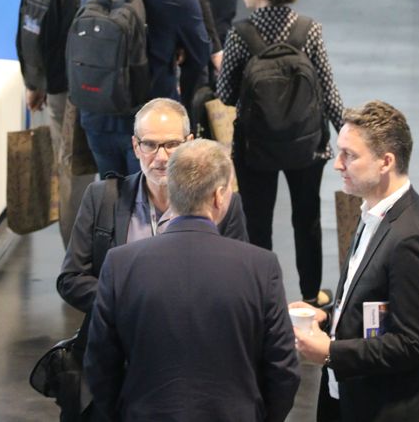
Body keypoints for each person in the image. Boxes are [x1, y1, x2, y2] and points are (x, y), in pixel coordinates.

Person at [85, 137, 300, 422]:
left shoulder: (120, 264)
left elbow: (100, 365)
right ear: (219, 196)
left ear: (173, 191)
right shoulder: (260, 266)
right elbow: (283, 369)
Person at [217, 0, 344, 307]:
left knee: (257, 223)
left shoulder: (240, 34)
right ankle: (312, 296)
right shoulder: (309, 30)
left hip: (255, 146)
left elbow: (226, 94)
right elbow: (327, 90)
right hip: (307, 145)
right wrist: (347, 132)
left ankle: (263, 297)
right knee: (307, 220)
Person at [291, 100, 419, 422]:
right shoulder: (372, 213)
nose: (338, 164)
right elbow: (371, 303)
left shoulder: (409, 237)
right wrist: (325, 316)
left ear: (385, 162)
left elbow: (412, 343)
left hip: (380, 407)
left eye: (349, 155)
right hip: (347, 395)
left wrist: (330, 353)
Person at [57, 98, 248, 316]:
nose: (161, 157)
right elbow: (71, 279)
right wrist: (130, 303)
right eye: (149, 145)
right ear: (135, 147)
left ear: (189, 143)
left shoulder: (222, 203)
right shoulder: (102, 198)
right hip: (123, 331)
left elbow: (237, 279)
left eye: (172, 144)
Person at [79, 0, 210, 177]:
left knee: (110, 194)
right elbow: (200, 54)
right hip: (151, 127)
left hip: (98, 116)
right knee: (151, 198)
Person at [18, 0, 119, 246]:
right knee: (120, 173)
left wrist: (35, 84)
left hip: (64, 90)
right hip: (117, 92)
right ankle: (119, 254)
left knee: (71, 173)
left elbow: (34, 34)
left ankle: (75, 259)